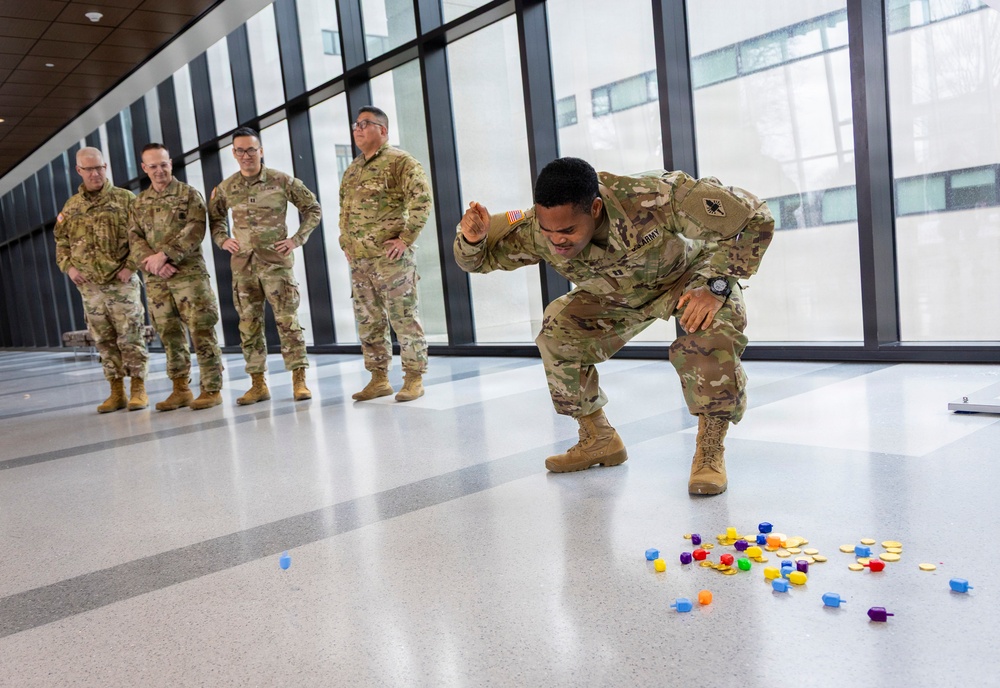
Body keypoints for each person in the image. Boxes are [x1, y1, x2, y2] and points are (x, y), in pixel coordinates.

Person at [455, 157, 774, 495]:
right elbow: (478, 260)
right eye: (549, 233)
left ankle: (710, 450)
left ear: (594, 208)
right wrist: (472, 239)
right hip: (616, 297)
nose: (556, 241)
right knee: (558, 332)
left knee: (709, 336)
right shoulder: (537, 229)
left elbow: (753, 217)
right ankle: (598, 438)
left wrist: (716, 287)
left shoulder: (656, 195)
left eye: (566, 232)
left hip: (688, 278)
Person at [208, 127, 321, 405]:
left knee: (287, 323)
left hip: (276, 266)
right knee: (248, 325)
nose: (246, 155)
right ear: (234, 154)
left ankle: (299, 380)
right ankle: (258, 384)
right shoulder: (226, 187)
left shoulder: (282, 181)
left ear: (261, 151)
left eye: (251, 149)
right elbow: (215, 219)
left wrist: (296, 239)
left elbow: (312, 209)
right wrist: (223, 240)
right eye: (240, 150)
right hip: (243, 266)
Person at [339, 106, 432, 402]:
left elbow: (422, 200)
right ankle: (378, 378)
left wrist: (405, 239)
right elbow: (344, 210)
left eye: (365, 123)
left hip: (391, 260)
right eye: (356, 124)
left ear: (383, 130)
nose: (358, 128)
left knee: (403, 318)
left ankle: (414, 378)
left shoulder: (400, 161)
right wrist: (346, 245)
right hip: (360, 261)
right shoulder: (353, 169)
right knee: (368, 320)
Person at [129, 143, 224, 411]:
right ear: (144, 168)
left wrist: (165, 256)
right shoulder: (138, 203)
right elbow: (134, 238)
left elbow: (196, 229)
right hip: (157, 280)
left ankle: (211, 388)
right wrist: (154, 263)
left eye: (163, 164)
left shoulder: (189, 195)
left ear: (170, 163)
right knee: (168, 332)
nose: (159, 170)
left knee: (201, 329)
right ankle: (180, 388)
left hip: (189, 276)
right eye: (153, 166)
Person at [54, 147, 149, 413]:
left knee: (131, 336)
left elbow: (141, 238)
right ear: (79, 171)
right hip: (91, 288)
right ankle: (116, 391)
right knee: (104, 341)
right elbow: (60, 242)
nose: (95, 173)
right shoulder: (71, 207)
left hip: (122, 284)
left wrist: (131, 267)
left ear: (106, 167)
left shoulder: (125, 199)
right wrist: (69, 268)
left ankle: (139, 389)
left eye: (100, 168)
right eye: (89, 169)